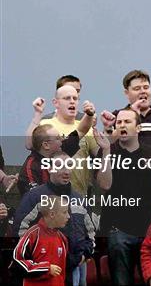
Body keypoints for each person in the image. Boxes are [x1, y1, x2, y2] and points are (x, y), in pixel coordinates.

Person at [95, 108, 151, 285]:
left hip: (148, 229)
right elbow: (104, 185)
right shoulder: (108, 151)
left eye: (127, 122)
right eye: (119, 122)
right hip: (118, 229)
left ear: (138, 128)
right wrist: (106, 151)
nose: (122, 125)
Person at [13, 150, 95, 286]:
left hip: (77, 267)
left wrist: (84, 254)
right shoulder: (35, 197)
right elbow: (20, 229)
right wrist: (39, 260)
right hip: (47, 270)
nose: (67, 171)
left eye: (69, 165)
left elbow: (91, 232)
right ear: (49, 168)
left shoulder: (79, 199)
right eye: (61, 166)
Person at [24, 89, 98, 196]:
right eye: (58, 138)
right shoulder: (31, 166)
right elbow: (33, 199)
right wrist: (38, 114)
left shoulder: (62, 150)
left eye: (75, 98)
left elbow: (81, 130)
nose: (62, 140)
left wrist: (89, 114)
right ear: (46, 145)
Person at [11, 195, 69, 286]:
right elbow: (17, 263)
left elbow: (63, 273)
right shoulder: (32, 235)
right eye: (65, 212)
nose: (68, 216)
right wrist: (46, 269)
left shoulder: (62, 238)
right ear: (52, 214)